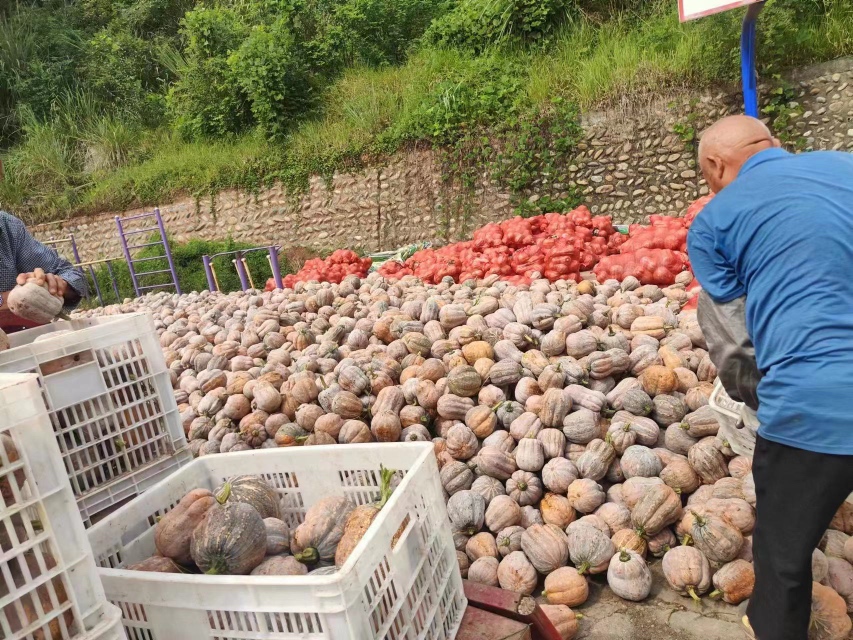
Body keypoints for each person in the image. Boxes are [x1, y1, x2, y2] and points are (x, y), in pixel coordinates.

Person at [687, 114, 853, 640]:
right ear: (776, 143)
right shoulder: (846, 167)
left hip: (812, 408)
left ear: (715, 166)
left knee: (782, 557)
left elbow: (734, 335)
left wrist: (757, 400)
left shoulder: (714, 222)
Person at [0, 210, 87, 330]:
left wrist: (56, 285)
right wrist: (6, 299)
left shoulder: (7, 226)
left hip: (25, 339)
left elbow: (70, 274)